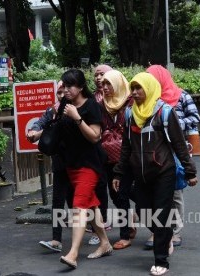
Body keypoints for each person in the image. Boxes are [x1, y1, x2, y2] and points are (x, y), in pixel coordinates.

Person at [112, 72, 198, 276]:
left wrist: (190, 171)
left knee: (160, 214)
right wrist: (118, 173)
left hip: (163, 172)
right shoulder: (129, 114)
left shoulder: (165, 113)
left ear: (149, 88)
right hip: (140, 174)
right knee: (143, 212)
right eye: (132, 88)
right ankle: (166, 235)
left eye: (138, 88)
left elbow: (179, 145)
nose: (134, 92)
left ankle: (161, 260)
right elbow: (126, 147)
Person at [37, 69, 111, 269]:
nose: (65, 90)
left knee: (79, 207)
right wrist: (39, 134)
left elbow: (95, 137)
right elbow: (57, 127)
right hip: (71, 164)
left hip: (89, 164)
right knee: (91, 205)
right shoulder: (64, 105)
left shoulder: (92, 106)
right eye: (64, 86)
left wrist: (77, 118)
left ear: (80, 87)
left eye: (70, 86)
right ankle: (104, 242)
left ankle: (73, 253)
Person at [146, 65, 200, 248]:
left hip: (175, 150)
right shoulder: (148, 98)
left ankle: (175, 231)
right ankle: (158, 231)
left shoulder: (181, 95)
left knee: (175, 193)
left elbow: (195, 118)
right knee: (154, 193)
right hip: (153, 152)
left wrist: (173, 125)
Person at [27, 81, 74, 253]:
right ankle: (56, 240)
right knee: (58, 202)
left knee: (80, 203)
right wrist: (33, 131)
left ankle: (98, 233)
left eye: (65, 92)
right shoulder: (51, 111)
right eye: (59, 92)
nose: (61, 96)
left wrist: (40, 133)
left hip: (79, 164)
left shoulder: (77, 109)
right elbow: (40, 123)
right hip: (60, 164)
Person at [99, 70, 136, 250]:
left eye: (109, 84)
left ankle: (125, 234)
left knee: (122, 193)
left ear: (119, 84)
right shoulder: (100, 104)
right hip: (107, 157)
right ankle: (130, 221)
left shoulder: (131, 103)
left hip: (127, 156)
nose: (105, 87)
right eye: (103, 84)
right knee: (115, 194)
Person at [87, 64, 114, 246]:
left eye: (102, 74)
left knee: (118, 189)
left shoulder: (120, 95)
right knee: (99, 187)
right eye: (96, 75)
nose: (98, 78)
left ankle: (130, 222)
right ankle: (100, 225)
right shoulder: (90, 98)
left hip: (116, 150)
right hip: (96, 149)